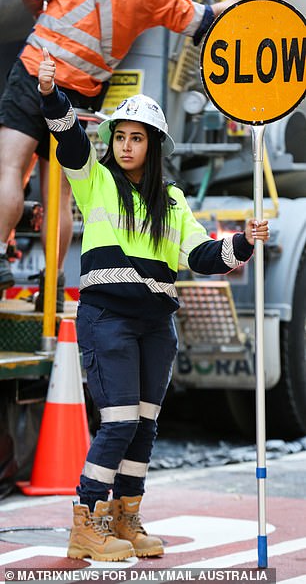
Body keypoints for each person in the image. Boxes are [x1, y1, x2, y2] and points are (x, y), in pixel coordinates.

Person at [37, 49, 269, 561]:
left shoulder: (174, 201)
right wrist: (52, 94)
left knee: (144, 424)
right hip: (108, 320)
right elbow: (70, 138)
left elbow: (203, 255)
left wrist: (245, 243)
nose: (124, 145)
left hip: (156, 324)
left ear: (153, 145)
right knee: (118, 421)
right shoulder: (93, 179)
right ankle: (87, 519)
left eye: (135, 137)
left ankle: (127, 516)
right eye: (119, 136)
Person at [0, 0, 269, 308]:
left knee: (9, 166)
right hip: (83, 88)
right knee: (60, 195)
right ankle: (52, 283)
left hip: (38, 69)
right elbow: (204, 19)